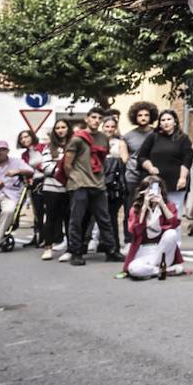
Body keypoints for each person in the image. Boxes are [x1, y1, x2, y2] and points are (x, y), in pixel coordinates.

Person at [62, 108, 122, 266]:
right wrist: (75, 179)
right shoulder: (77, 138)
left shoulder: (103, 138)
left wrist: (98, 177)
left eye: (99, 118)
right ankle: (76, 252)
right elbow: (67, 164)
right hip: (79, 183)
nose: (96, 120)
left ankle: (111, 251)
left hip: (98, 184)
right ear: (87, 119)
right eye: (93, 117)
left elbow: (102, 159)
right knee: (77, 219)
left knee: (104, 219)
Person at [123, 176, 184, 280]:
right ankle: (163, 270)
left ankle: (150, 270)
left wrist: (162, 204)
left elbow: (174, 224)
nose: (152, 192)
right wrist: (144, 207)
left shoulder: (168, 206)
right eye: (149, 189)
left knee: (171, 233)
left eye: (155, 188)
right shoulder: (136, 208)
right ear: (143, 191)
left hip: (163, 250)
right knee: (133, 269)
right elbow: (134, 230)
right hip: (144, 251)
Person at [138, 110, 192, 219]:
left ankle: (174, 236)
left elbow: (187, 159)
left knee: (174, 215)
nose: (166, 122)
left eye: (169, 119)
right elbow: (142, 156)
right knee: (155, 216)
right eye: (163, 120)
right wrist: (150, 167)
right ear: (160, 123)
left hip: (175, 183)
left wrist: (182, 178)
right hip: (156, 183)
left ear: (175, 122)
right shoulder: (153, 137)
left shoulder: (183, 138)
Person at [36, 119, 72, 260]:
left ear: (68, 129)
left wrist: (59, 166)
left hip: (70, 188)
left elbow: (78, 166)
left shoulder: (74, 145)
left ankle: (70, 249)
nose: (61, 130)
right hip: (51, 188)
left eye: (63, 127)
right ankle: (48, 248)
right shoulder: (49, 147)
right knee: (50, 218)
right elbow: (45, 167)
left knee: (70, 219)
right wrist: (64, 169)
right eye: (58, 128)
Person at [122, 101, 158, 220]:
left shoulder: (157, 134)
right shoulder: (128, 136)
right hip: (132, 176)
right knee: (130, 207)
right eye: (140, 115)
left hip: (151, 176)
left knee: (151, 206)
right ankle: (129, 237)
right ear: (135, 117)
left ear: (151, 116)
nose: (143, 118)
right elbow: (125, 158)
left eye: (146, 115)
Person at [101, 115, 129, 251]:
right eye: (107, 126)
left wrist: (110, 162)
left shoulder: (120, 143)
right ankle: (101, 243)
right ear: (103, 127)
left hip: (113, 183)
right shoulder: (96, 141)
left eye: (113, 126)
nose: (110, 129)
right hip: (97, 181)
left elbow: (124, 161)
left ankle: (114, 246)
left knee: (111, 215)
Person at [0, 140, 33, 241]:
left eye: (3, 150)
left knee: (8, 211)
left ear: (7, 151)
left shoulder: (16, 162)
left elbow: (30, 170)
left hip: (10, 195)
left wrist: (17, 171)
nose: (0, 152)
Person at [15, 131, 43, 248]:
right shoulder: (24, 155)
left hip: (46, 180)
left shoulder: (42, 147)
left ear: (32, 137)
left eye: (26, 136)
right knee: (37, 211)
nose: (24, 139)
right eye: (22, 138)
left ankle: (49, 236)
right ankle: (37, 235)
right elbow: (26, 170)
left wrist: (39, 168)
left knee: (50, 210)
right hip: (34, 183)